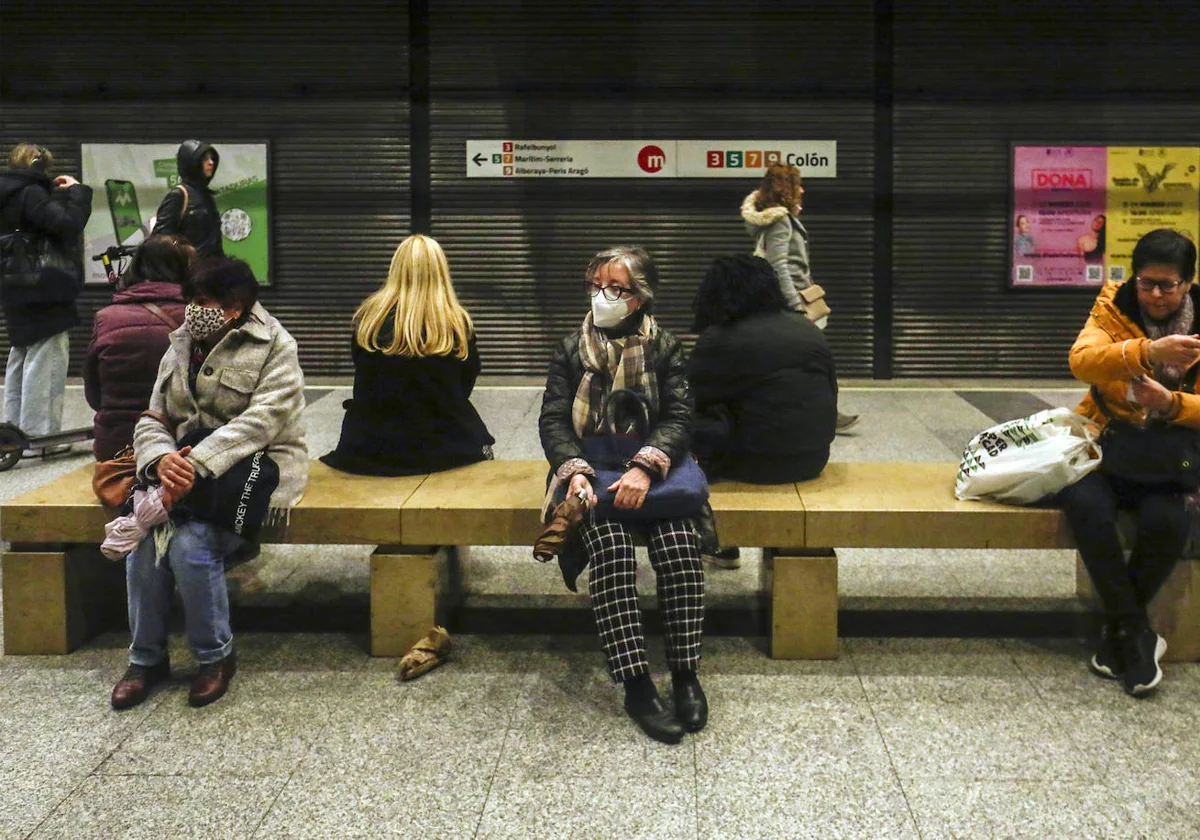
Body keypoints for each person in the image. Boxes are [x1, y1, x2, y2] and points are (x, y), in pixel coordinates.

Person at [111, 258, 307, 711]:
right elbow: (155, 416)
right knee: (145, 540)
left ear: (233, 307)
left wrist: (195, 464)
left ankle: (214, 657)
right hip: (178, 470)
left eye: (200, 302)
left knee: (190, 544)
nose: (190, 311)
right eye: (189, 301)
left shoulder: (275, 344)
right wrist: (160, 459)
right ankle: (145, 660)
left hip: (252, 468)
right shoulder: (181, 343)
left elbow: (262, 424)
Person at [539, 245, 707, 744]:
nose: (602, 296)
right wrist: (573, 472)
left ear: (639, 298)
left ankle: (684, 671)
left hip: (656, 475)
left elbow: (680, 417)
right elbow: (552, 419)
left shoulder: (666, 347)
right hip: (590, 474)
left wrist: (644, 466)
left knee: (679, 546)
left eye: (615, 288)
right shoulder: (572, 347)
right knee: (610, 551)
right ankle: (635, 682)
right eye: (596, 286)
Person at [1058, 228, 1200, 697]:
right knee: (1084, 502)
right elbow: (1082, 361)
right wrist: (1147, 351)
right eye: (1147, 283)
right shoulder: (1113, 304)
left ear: (1188, 283)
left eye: (1168, 285)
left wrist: (1171, 404)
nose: (1155, 295)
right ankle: (1135, 632)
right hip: (1110, 443)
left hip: (1178, 453)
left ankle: (1119, 634)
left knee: (1168, 519)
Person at [321, 234, 494, 475]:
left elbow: (363, 378)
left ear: (395, 269)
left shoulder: (367, 319)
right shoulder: (457, 324)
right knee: (484, 447)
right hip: (443, 448)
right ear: (441, 271)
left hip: (368, 448)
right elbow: (462, 388)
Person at [690, 254, 837, 483]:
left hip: (755, 463)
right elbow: (831, 389)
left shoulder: (721, 338)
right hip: (814, 458)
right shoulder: (806, 327)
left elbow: (691, 399)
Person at [741, 162, 859, 433]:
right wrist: (796, 306)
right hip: (790, 305)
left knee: (794, 362)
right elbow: (778, 265)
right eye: (798, 184)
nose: (803, 189)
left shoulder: (778, 219)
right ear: (788, 189)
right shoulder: (781, 221)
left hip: (783, 303)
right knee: (814, 359)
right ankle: (826, 415)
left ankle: (819, 413)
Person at [0, 143, 92, 450]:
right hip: (44, 287)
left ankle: (12, 430)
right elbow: (67, 224)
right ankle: (42, 436)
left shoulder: (7, 195)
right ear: (39, 167)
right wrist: (78, 193)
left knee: (21, 355)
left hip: (14, 286)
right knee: (47, 358)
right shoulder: (31, 193)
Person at [84, 235, 191, 462]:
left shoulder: (105, 317)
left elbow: (94, 393)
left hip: (116, 447)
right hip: (179, 447)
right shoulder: (195, 316)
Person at [153, 140, 224, 259]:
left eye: (211, 159)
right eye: (205, 159)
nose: (211, 163)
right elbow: (159, 240)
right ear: (192, 163)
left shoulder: (207, 196)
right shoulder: (179, 195)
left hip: (211, 270)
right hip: (189, 273)